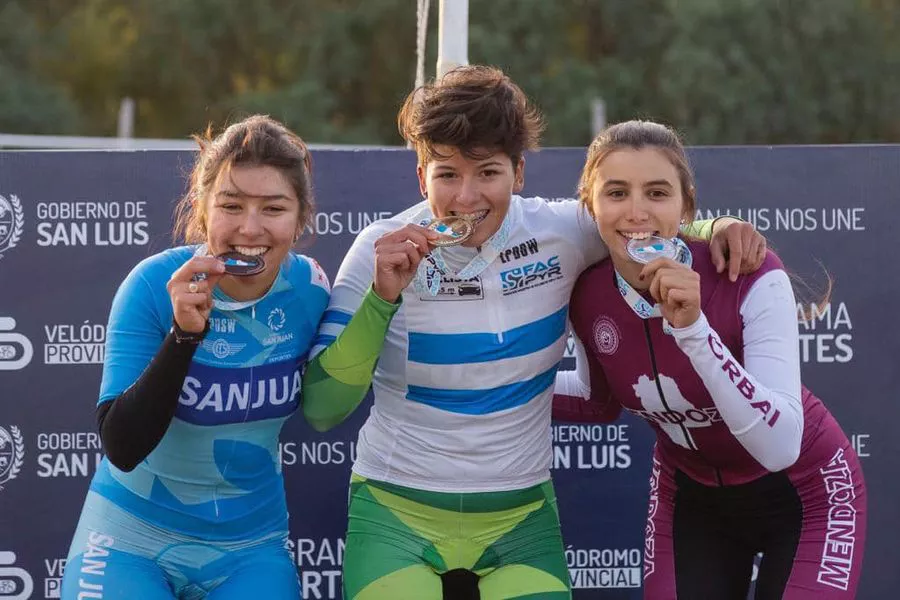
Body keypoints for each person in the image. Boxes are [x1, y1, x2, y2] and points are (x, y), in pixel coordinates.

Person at [300, 66, 765, 600]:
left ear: (519, 173)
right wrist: (382, 298)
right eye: (447, 174)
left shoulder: (561, 231)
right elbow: (323, 409)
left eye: (489, 173)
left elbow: (638, 224)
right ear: (419, 175)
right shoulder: (379, 247)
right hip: (394, 509)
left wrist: (715, 228)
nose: (466, 198)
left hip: (519, 517)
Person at [553, 120, 866, 599]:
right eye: (616, 193)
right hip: (692, 497)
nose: (636, 212)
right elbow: (598, 403)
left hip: (807, 491)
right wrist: (483, 382)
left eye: (657, 193)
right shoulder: (587, 291)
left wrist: (694, 330)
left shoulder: (746, 272)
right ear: (589, 206)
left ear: (687, 206)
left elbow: (781, 445)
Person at [61, 115, 330, 599]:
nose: (251, 228)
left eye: (273, 208)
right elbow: (121, 446)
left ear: (301, 217)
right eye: (231, 205)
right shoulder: (151, 285)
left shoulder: (311, 291)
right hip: (129, 538)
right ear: (203, 210)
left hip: (250, 547)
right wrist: (184, 334)